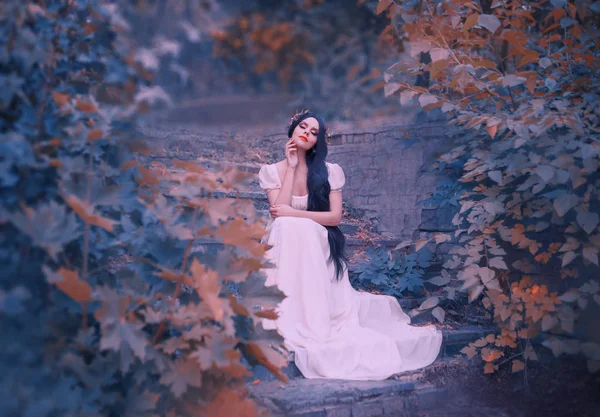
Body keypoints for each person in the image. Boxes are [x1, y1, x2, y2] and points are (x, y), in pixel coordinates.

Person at [257, 109, 443, 380]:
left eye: (313, 133)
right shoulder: (272, 171)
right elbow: (278, 210)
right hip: (285, 240)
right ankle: (290, 312)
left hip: (317, 239)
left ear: (318, 142)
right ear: (292, 129)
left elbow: (333, 217)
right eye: (303, 127)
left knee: (294, 224)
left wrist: (296, 214)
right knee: (285, 225)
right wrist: (292, 166)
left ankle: (313, 318)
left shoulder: (329, 172)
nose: (306, 134)